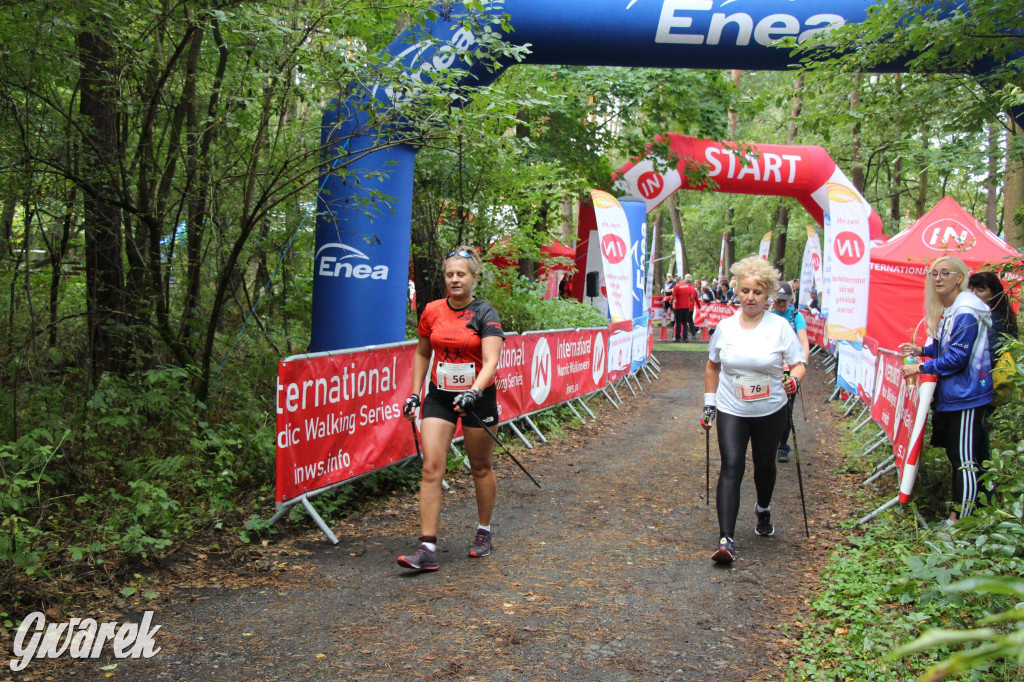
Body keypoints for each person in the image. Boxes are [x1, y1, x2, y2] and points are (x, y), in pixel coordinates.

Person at [399, 246, 505, 571]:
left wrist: (474, 391)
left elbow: (491, 362)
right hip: (441, 397)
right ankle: (427, 547)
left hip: (477, 399)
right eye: (450, 274)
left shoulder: (486, 314)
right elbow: (421, 353)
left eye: (461, 274)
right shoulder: (431, 310)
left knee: (480, 467)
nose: (455, 280)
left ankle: (484, 531)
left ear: (474, 278)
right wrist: (415, 393)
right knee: (432, 467)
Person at [700, 256, 806, 564]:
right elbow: (712, 366)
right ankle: (726, 539)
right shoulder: (725, 327)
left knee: (765, 466)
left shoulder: (780, 327)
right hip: (732, 407)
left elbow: (798, 365)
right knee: (732, 466)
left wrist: (793, 382)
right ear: (737, 291)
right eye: (745, 291)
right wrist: (709, 406)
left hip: (770, 409)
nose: (750, 297)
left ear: (768, 295)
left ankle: (762, 508)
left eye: (757, 292)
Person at [901, 256, 993, 526]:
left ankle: (959, 525)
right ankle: (961, 516)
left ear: (959, 278)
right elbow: (945, 348)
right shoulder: (951, 308)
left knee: (965, 460)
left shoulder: (966, 310)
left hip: (967, 396)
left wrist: (920, 368)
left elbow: (957, 359)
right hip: (954, 396)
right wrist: (923, 351)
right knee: (957, 457)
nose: (938, 278)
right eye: (933, 273)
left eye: (945, 273)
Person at [772, 281, 810, 463]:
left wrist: (803, 362)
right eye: (778, 300)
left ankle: (782, 445)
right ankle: (769, 441)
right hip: (772, 368)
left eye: (784, 301)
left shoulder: (796, 316)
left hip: (790, 368)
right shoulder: (767, 316)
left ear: (790, 300)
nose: (781, 304)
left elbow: (803, 341)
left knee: (786, 408)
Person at [968, 271, 1018, 361]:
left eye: (980, 290)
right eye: (971, 290)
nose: (974, 294)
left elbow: (990, 353)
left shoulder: (995, 318)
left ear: (994, 293)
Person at [672, 274, 700, 342]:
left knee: (678, 322)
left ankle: (678, 337)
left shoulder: (677, 286)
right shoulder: (691, 288)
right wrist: (697, 305)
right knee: (687, 322)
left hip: (679, 306)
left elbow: (673, 296)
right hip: (688, 307)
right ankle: (687, 336)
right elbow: (693, 297)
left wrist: (670, 301)